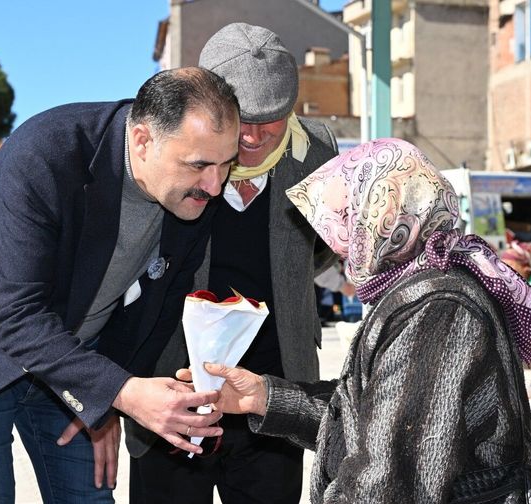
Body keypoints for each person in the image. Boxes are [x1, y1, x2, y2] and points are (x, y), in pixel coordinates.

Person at [0, 67, 239, 503]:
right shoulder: (47, 151)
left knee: (88, 497)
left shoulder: (193, 193)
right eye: (200, 165)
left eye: (226, 164)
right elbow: (16, 319)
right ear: (144, 140)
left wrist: (105, 401)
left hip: (72, 353)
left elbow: (157, 309)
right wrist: (122, 392)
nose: (215, 185)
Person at [190, 139, 531, 503]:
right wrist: (262, 396)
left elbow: (389, 482)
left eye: (346, 222)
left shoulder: (438, 309)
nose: (338, 244)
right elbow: (369, 419)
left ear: (381, 220)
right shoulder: (424, 286)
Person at [128, 23, 339, 504]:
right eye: (243, 118)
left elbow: (319, 250)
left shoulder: (318, 154)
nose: (255, 136)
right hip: (175, 394)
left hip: (274, 399)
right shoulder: (173, 149)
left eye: (274, 120)